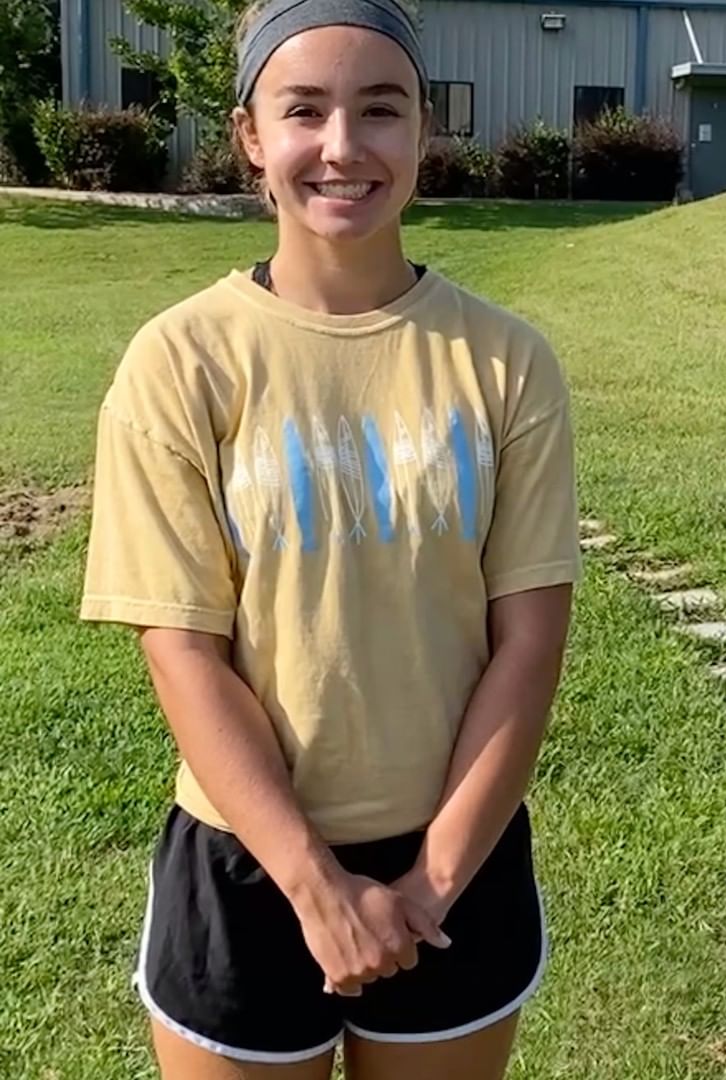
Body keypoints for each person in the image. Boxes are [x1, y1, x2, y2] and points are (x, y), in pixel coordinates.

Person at [80, 1, 582, 1076]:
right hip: (247, 861)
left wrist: (431, 884)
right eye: (304, 110)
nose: (344, 147)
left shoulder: (506, 363)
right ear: (252, 136)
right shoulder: (179, 364)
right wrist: (315, 884)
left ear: (422, 133)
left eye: (381, 109)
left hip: (458, 851)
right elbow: (182, 649)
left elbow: (528, 643)